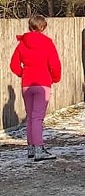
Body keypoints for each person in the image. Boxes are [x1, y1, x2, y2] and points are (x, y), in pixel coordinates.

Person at [10, 15, 62, 162]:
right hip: (42, 82)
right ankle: (39, 149)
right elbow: (54, 64)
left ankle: (31, 148)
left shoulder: (22, 43)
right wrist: (55, 78)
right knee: (37, 117)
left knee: (30, 117)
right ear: (43, 27)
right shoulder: (47, 43)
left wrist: (23, 73)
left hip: (27, 83)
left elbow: (13, 65)